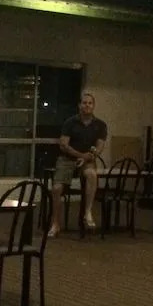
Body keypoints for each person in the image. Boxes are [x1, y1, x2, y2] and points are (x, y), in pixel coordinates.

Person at [50, 92, 107, 236]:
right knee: (56, 188)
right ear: (79, 105)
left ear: (93, 106)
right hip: (67, 159)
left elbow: (100, 146)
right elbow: (64, 145)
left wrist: (90, 156)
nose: (87, 105)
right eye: (84, 103)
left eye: (90, 103)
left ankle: (87, 212)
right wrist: (81, 155)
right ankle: (55, 223)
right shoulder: (70, 122)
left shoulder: (100, 125)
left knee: (91, 174)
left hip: (87, 160)